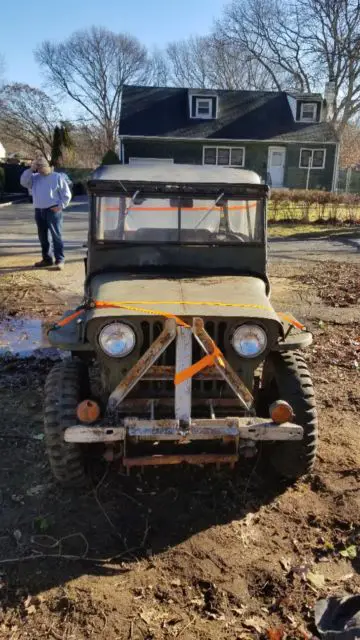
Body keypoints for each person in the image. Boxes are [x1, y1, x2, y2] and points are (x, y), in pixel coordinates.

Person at [20, 158, 72, 270]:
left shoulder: (57, 177)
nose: (41, 170)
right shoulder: (34, 178)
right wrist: (30, 170)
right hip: (39, 210)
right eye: (38, 168)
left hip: (53, 211)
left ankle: (60, 260)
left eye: (42, 167)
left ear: (47, 166)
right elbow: (23, 182)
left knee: (56, 236)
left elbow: (66, 193)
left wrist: (61, 206)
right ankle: (47, 259)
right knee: (43, 237)